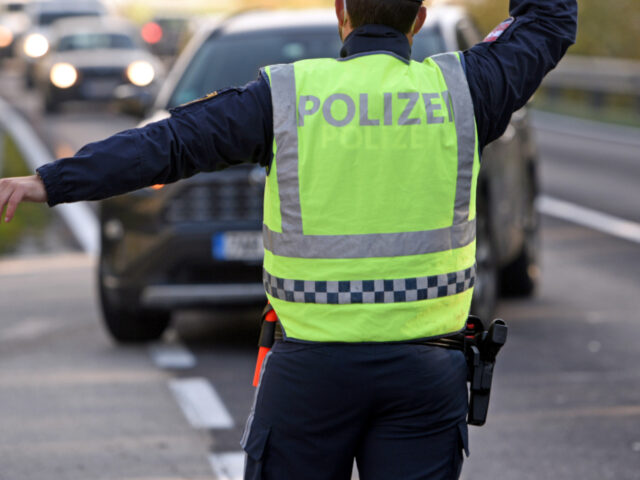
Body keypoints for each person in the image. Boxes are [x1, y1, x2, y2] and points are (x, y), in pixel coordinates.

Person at [0, 0, 577, 478]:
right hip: (426, 377)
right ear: (419, 20)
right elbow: (546, 22)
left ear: (340, 14)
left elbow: (168, 144)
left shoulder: (286, 97)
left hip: (309, 378)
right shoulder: (463, 92)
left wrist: (50, 182)